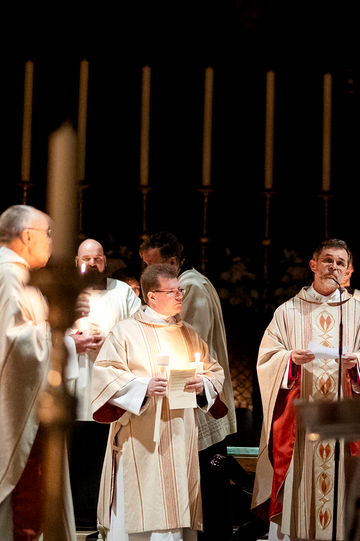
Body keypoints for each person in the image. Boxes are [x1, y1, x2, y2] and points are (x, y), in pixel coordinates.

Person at [0, 205, 76, 541]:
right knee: (18, 517)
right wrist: (63, 336)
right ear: (27, 236)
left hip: (20, 405)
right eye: (48, 234)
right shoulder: (8, 275)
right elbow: (13, 344)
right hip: (14, 415)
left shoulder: (8, 274)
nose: (52, 242)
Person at [252, 238, 360, 541]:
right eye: (327, 260)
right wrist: (290, 360)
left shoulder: (358, 312)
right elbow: (267, 359)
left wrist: (358, 363)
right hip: (301, 424)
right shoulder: (288, 311)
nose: (333, 267)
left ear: (347, 271)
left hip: (343, 422)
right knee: (300, 498)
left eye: (340, 263)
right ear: (313, 265)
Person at [91, 264, 225, 540]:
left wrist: (203, 385)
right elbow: (105, 374)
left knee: (177, 508)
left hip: (180, 436)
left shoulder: (188, 333)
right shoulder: (125, 332)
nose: (179, 296)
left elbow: (214, 370)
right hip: (141, 438)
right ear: (152, 296)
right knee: (143, 507)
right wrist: (143, 387)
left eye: (180, 290)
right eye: (172, 291)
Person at [139, 232, 236, 541]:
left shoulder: (190, 287)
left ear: (172, 262)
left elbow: (187, 342)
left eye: (152, 263)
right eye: (144, 264)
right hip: (191, 395)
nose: (147, 271)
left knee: (207, 483)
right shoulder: (191, 282)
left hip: (196, 397)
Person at [68, 238, 141, 420]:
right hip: (77, 375)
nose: (92, 263)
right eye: (86, 259)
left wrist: (111, 344)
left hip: (112, 378)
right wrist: (70, 341)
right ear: (77, 261)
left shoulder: (123, 292)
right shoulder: (65, 293)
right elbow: (44, 331)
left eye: (97, 258)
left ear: (105, 261)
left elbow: (140, 331)